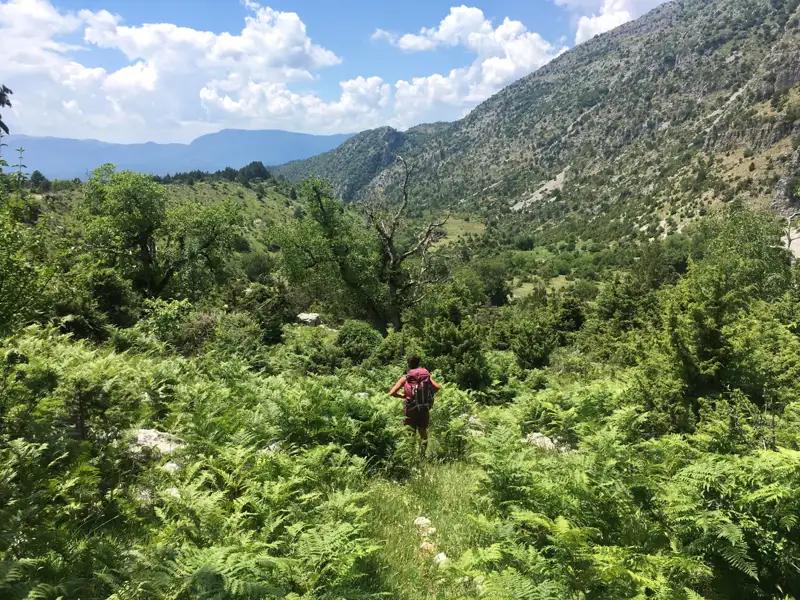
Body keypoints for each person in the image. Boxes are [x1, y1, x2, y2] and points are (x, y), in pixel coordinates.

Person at [388, 355, 441, 458]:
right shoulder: (425, 377)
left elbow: (392, 392)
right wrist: (425, 394)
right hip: (424, 409)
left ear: (408, 364)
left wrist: (402, 396)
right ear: (419, 363)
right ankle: (422, 455)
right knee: (423, 433)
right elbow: (437, 388)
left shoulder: (406, 378)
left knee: (410, 434)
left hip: (411, 409)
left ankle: (410, 456)